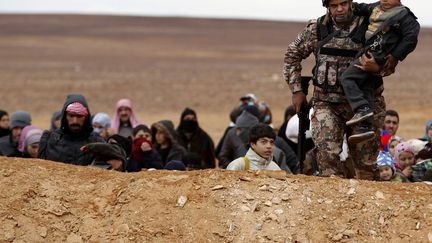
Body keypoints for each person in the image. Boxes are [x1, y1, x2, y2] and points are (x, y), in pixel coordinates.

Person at [283, 0, 389, 179]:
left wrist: (378, 67)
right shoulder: (317, 29)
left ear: (351, 3)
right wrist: (296, 90)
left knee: (366, 165)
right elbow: (292, 54)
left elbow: (392, 57)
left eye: (344, 4)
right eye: (334, 5)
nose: (340, 9)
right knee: (326, 158)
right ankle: (332, 206)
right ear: (327, 7)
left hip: (364, 107)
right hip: (327, 104)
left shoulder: (370, 26)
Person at [342, 0, 419, 136]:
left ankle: (362, 109)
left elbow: (411, 38)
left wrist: (395, 56)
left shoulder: (405, 16)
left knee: (346, 78)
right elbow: (361, 8)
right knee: (366, 87)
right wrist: (348, 3)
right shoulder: (375, 7)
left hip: (377, 54)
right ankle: (365, 127)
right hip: (369, 50)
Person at [38, 94, 105, 165]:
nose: (75, 121)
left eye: (79, 116)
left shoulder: (97, 142)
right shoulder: (50, 139)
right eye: (71, 116)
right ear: (65, 116)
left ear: (86, 117)